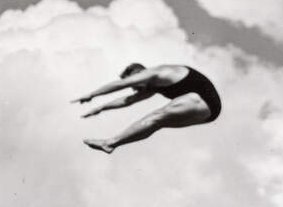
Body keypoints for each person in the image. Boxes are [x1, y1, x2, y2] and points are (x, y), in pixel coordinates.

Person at [71, 62, 221, 153]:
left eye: (134, 84)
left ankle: (110, 143)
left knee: (157, 116)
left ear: (138, 74)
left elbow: (120, 85)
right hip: (208, 114)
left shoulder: (157, 73)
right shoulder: (153, 86)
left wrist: (92, 94)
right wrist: (101, 108)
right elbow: (128, 100)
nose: (134, 89)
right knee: (155, 122)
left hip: (204, 99)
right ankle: (112, 144)